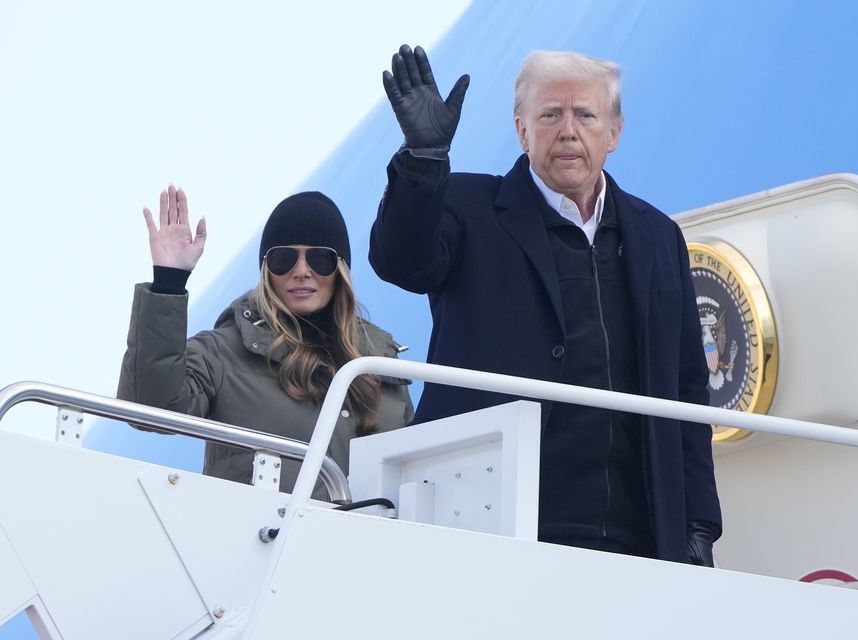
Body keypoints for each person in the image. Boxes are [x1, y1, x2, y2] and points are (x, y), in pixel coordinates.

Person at [370, 45, 720, 564]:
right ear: (522, 129)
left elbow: (688, 389)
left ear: (614, 132)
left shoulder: (658, 235)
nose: (568, 130)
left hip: (637, 534)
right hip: (495, 520)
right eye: (550, 114)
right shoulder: (467, 207)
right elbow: (400, 261)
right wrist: (424, 161)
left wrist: (697, 524)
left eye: (585, 115)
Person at [119, 185, 413, 499]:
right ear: (266, 270)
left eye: (320, 259)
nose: (302, 271)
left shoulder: (380, 364)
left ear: (340, 269)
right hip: (263, 542)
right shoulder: (224, 352)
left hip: (372, 545)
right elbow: (149, 408)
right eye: (284, 258)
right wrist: (168, 283)